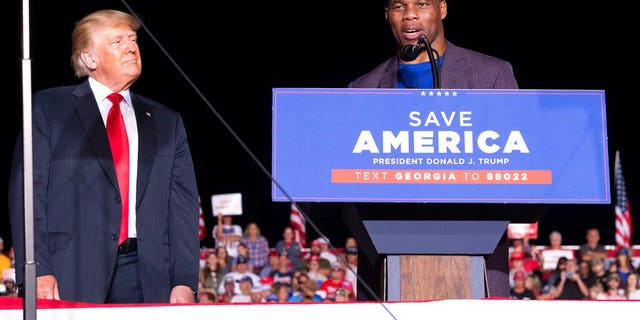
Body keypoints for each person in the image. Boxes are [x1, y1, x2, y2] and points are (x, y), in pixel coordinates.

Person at [7, 9, 200, 304]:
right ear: (90, 59)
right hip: (68, 272)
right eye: (117, 41)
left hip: (148, 277)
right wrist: (38, 270)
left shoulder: (167, 121)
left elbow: (183, 207)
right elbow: (28, 195)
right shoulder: (49, 109)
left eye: (133, 39)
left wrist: (185, 281)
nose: (131, 47)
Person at [347, 0, 518, 297]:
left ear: (442, 9)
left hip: (477, 263)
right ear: (387, 15)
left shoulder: (491, 75)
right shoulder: (362, 89)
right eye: (399, 6)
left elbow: (518, 161)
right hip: (386, 271)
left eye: (422, 4)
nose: (410, 14)